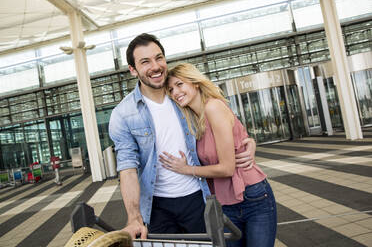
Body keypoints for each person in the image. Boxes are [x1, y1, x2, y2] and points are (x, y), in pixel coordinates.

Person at [108, 33, 255, 239]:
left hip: (198, 198)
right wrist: (134, 217)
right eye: (145, 61)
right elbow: (128, 169)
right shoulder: (123, 113)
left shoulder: (181, 96)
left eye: (159, 58)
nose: (156, 66)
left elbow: (225, 120)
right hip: (157, 207)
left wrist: (248, 142)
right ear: (133, 70)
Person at [159, 63, 277, 247]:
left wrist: (186, 169)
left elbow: (228, 168)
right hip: (225, 203)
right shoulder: (193, 121)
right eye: (171, 89)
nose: (175, 92)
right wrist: (251, 143)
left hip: (252, 196)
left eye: (180, 84)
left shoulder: (213, 107)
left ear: (195, 83)